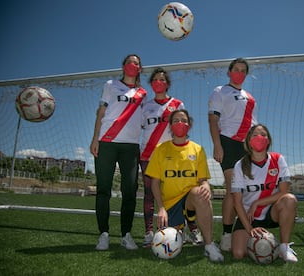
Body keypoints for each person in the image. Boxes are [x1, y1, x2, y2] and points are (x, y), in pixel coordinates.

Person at [145, 109, 224, 262]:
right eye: (176, 120)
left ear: (189, 125)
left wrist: (206, 185)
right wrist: (161, 208)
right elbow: (154, 183)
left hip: (190, 200)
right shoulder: (160, 149)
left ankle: (209, 245)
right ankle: (183, 229)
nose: (180, 123)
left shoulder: (198, 149)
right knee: (170, 242)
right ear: (170, 126)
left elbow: (202, 180)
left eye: (184, 120)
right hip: (170, 204)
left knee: (201, 194)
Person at [140, 67, 203, 247]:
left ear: (167, 84)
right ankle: (148, 233)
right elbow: (142, 129)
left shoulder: (178, 104)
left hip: (173, 155)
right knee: (149, 194)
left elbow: (182, 125)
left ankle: (192, 231)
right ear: (151, 84)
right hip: (148, 155)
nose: (158, 82)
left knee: (182, 192)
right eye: (155, 80)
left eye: (162, 79)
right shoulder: (146, 106)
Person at [90, 54, 147, 251]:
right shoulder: (111, 85)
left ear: (140, 69)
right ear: (124, 66)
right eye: (130, 62)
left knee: (130, 191)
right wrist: (95, 139)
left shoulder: (143, 93)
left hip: (131, 146)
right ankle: (103, 234)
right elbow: (101, 112)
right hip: (107, 142)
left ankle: (126, 234)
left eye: (136, 63)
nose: (133, 65)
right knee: (103, 189)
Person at [208, 57, 257, 251]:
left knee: (244, 191)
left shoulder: (251, 97)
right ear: (229, 72)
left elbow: (253, 124)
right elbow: (213, 120)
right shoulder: (220, 91)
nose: (239, 73)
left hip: (247, 146)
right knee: (232, 189)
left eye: (243, 70)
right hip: (228, 142)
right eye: (236, 69)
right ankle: (227, 235)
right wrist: (217, 145)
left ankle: (242, 230)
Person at [231, 124, 298, 263]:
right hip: (248, 216)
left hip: (270, 213)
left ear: (269, 140)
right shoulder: (240, 165)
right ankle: (264, 238)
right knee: (238, 253)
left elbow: (284, 191)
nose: (259, 138)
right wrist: (249, 229)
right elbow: (237, 202)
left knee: (290, 199)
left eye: (263, 135)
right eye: (255, 135)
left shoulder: (278, 159)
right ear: (249, 141)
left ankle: (284, 247)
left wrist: (258, 202)